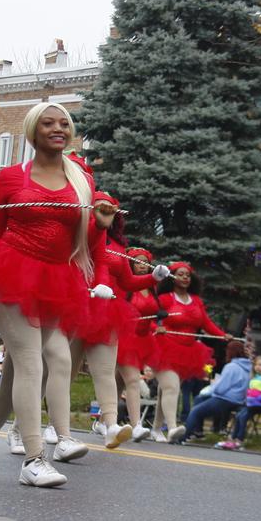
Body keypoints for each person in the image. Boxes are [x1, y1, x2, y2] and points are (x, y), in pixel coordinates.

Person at [0, 102, 113, 488]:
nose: (58, 129)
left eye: (64, 123)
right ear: (33, 131)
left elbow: (84, 241)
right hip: (11, 273)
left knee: (22, 371)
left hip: (56, 280)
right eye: (49, 123)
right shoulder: (9, 177)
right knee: (31, 361)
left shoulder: (81, 178)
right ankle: (33, 459)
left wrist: (101, 226)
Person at [72, 192, 169, 449]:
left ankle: (111, 426)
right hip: (77, 304)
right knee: (65, 369)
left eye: (112, 209)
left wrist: (154, 278)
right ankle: (44, 427)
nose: (107, 213)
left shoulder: (117, 245)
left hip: (107, 310)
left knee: (105, 371)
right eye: (101, 208)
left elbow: (127, 281)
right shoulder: (80, 232)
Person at [153, 262, 233, 443]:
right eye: (180, 274)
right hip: (164, 347)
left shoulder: (196, 300)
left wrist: (222, 335)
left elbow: (206, 323)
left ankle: (157, 429)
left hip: (188, 351)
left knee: (165, 391)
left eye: (188, 275)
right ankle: (172, 428)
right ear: (172, 277)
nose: (185, 278)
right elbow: (152, 317)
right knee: (172, 388)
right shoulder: (165, 298)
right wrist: (158, 327)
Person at [117, 246, 162, 442]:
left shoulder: (152, 287)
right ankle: (136, 425)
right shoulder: (125, 285)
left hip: (143, 340)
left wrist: (156, 325)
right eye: (138, 262)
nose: (142, 267)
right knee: (133, 380)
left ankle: (103, 421)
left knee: (119, 382)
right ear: (130, 264)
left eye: (145, 263)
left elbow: (148, 316)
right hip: (125, 338)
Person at [176, 340, 250, 443]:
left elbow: (220, 389)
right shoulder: (247, 367)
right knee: (198, 399)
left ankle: (183, 437)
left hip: (225, 399)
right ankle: (198, 431)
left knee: (196, 411)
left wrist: (213, 387)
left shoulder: (231, 367)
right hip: (238, 400)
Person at [215, 355, 261, 450]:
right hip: (251, 403)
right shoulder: (255, 377)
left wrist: (258, 398)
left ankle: (239, 440)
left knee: (243, 416)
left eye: (260, 365)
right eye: (256, 365)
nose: (258, 367)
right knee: (239, 415)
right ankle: (232, 438)